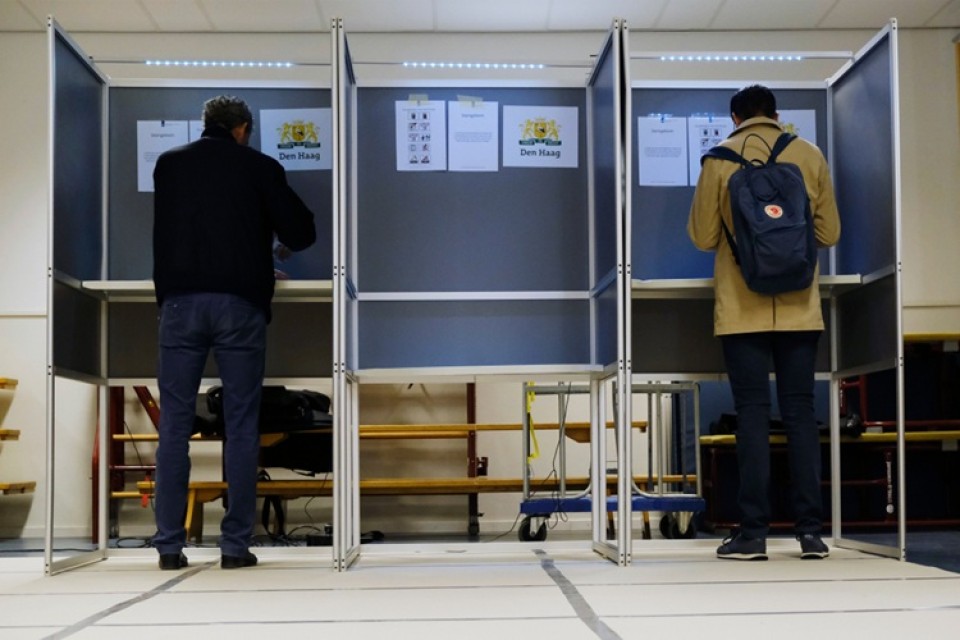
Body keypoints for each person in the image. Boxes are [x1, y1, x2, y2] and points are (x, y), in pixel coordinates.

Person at [151, 95, 316, 570]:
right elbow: (301, 232)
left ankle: (168, 546)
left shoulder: (168, 165)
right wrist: (264, 251)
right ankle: (234, 547)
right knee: (242, 425)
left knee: (174, 426)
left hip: (180, 305)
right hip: (239, 306)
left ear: (206, 124)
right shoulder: (259, 167)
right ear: (243, 128)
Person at [687, 85, 841, 561]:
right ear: (777, 115)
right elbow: (829, 232)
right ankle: (811, 534)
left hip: (741, 309)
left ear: (734, 119)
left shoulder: (719, 159)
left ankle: (753, 534)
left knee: (751, 414)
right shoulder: (808, 154)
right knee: (799, 413)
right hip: (799, 306)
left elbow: (703, 236)